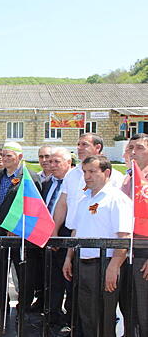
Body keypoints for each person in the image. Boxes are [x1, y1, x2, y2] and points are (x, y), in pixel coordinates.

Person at [62, 155, 132, 337]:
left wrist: (114, 267)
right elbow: (76, 231)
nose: (87, 176)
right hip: (83, 263)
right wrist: (69, 258)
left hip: (105, 264)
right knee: (87, 315)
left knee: (103, 316)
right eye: (85, 172)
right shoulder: (84, 198)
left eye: (92, 171)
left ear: (106, 172)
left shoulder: (116, 199)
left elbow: (124, 236)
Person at [0, 141, 41, 316]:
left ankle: (23, 307)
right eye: (2, 155)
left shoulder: (30, 177)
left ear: (20, 157)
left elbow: (34, 208)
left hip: (20, 237)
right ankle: (0, 306)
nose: (4, 158)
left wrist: (18, 227)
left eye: (8, 155)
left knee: (24, 274)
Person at [53, 133, 124, 236]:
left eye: (84, 144)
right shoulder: (71, 174)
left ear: (98, 147)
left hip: (98, 234)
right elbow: (62, 203)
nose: (79, 148)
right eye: (78, 144)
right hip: (69, 231)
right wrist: (55, 229)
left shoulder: (114, 176)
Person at [38, 147, 72, 335]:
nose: (52, 165)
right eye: (50, 162)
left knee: (68, 279)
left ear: (68, 163)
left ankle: (69, 319)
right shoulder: (47, 183)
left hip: (66, 236)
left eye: (56, 162)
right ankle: (52, 316)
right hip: (47, 237)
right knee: (52, 279)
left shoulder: (75, 183)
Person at [120, 133, 148, 336]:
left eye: (139, 148)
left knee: (144, 310)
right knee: (129, 309)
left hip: (143, 252)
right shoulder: (128, 177)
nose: (133, 152)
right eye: (130, 148)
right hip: (125, 251)